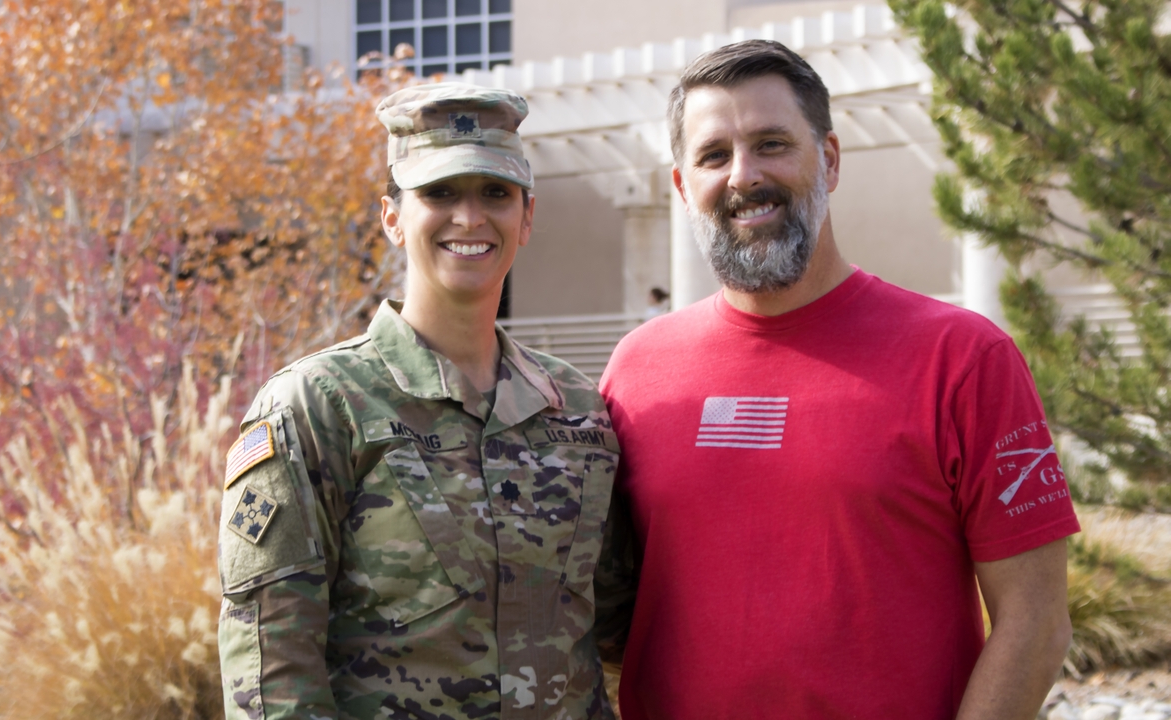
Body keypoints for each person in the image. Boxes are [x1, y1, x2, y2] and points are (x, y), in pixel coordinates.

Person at [599, 40, 1078, 720]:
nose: (743, 175)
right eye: (713, 156)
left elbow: (1036, 622)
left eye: (771, 143)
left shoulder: (965, 359)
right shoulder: (636, 369)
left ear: (828, 159)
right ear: (682, 186)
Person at [217, 83, 621, 720]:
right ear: (392, 217)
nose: (469, 217)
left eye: (495, 193)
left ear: (528, 217)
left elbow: (615, 627)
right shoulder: (318, 406)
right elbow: (270, 672)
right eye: (439, 193)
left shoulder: (578, 410)